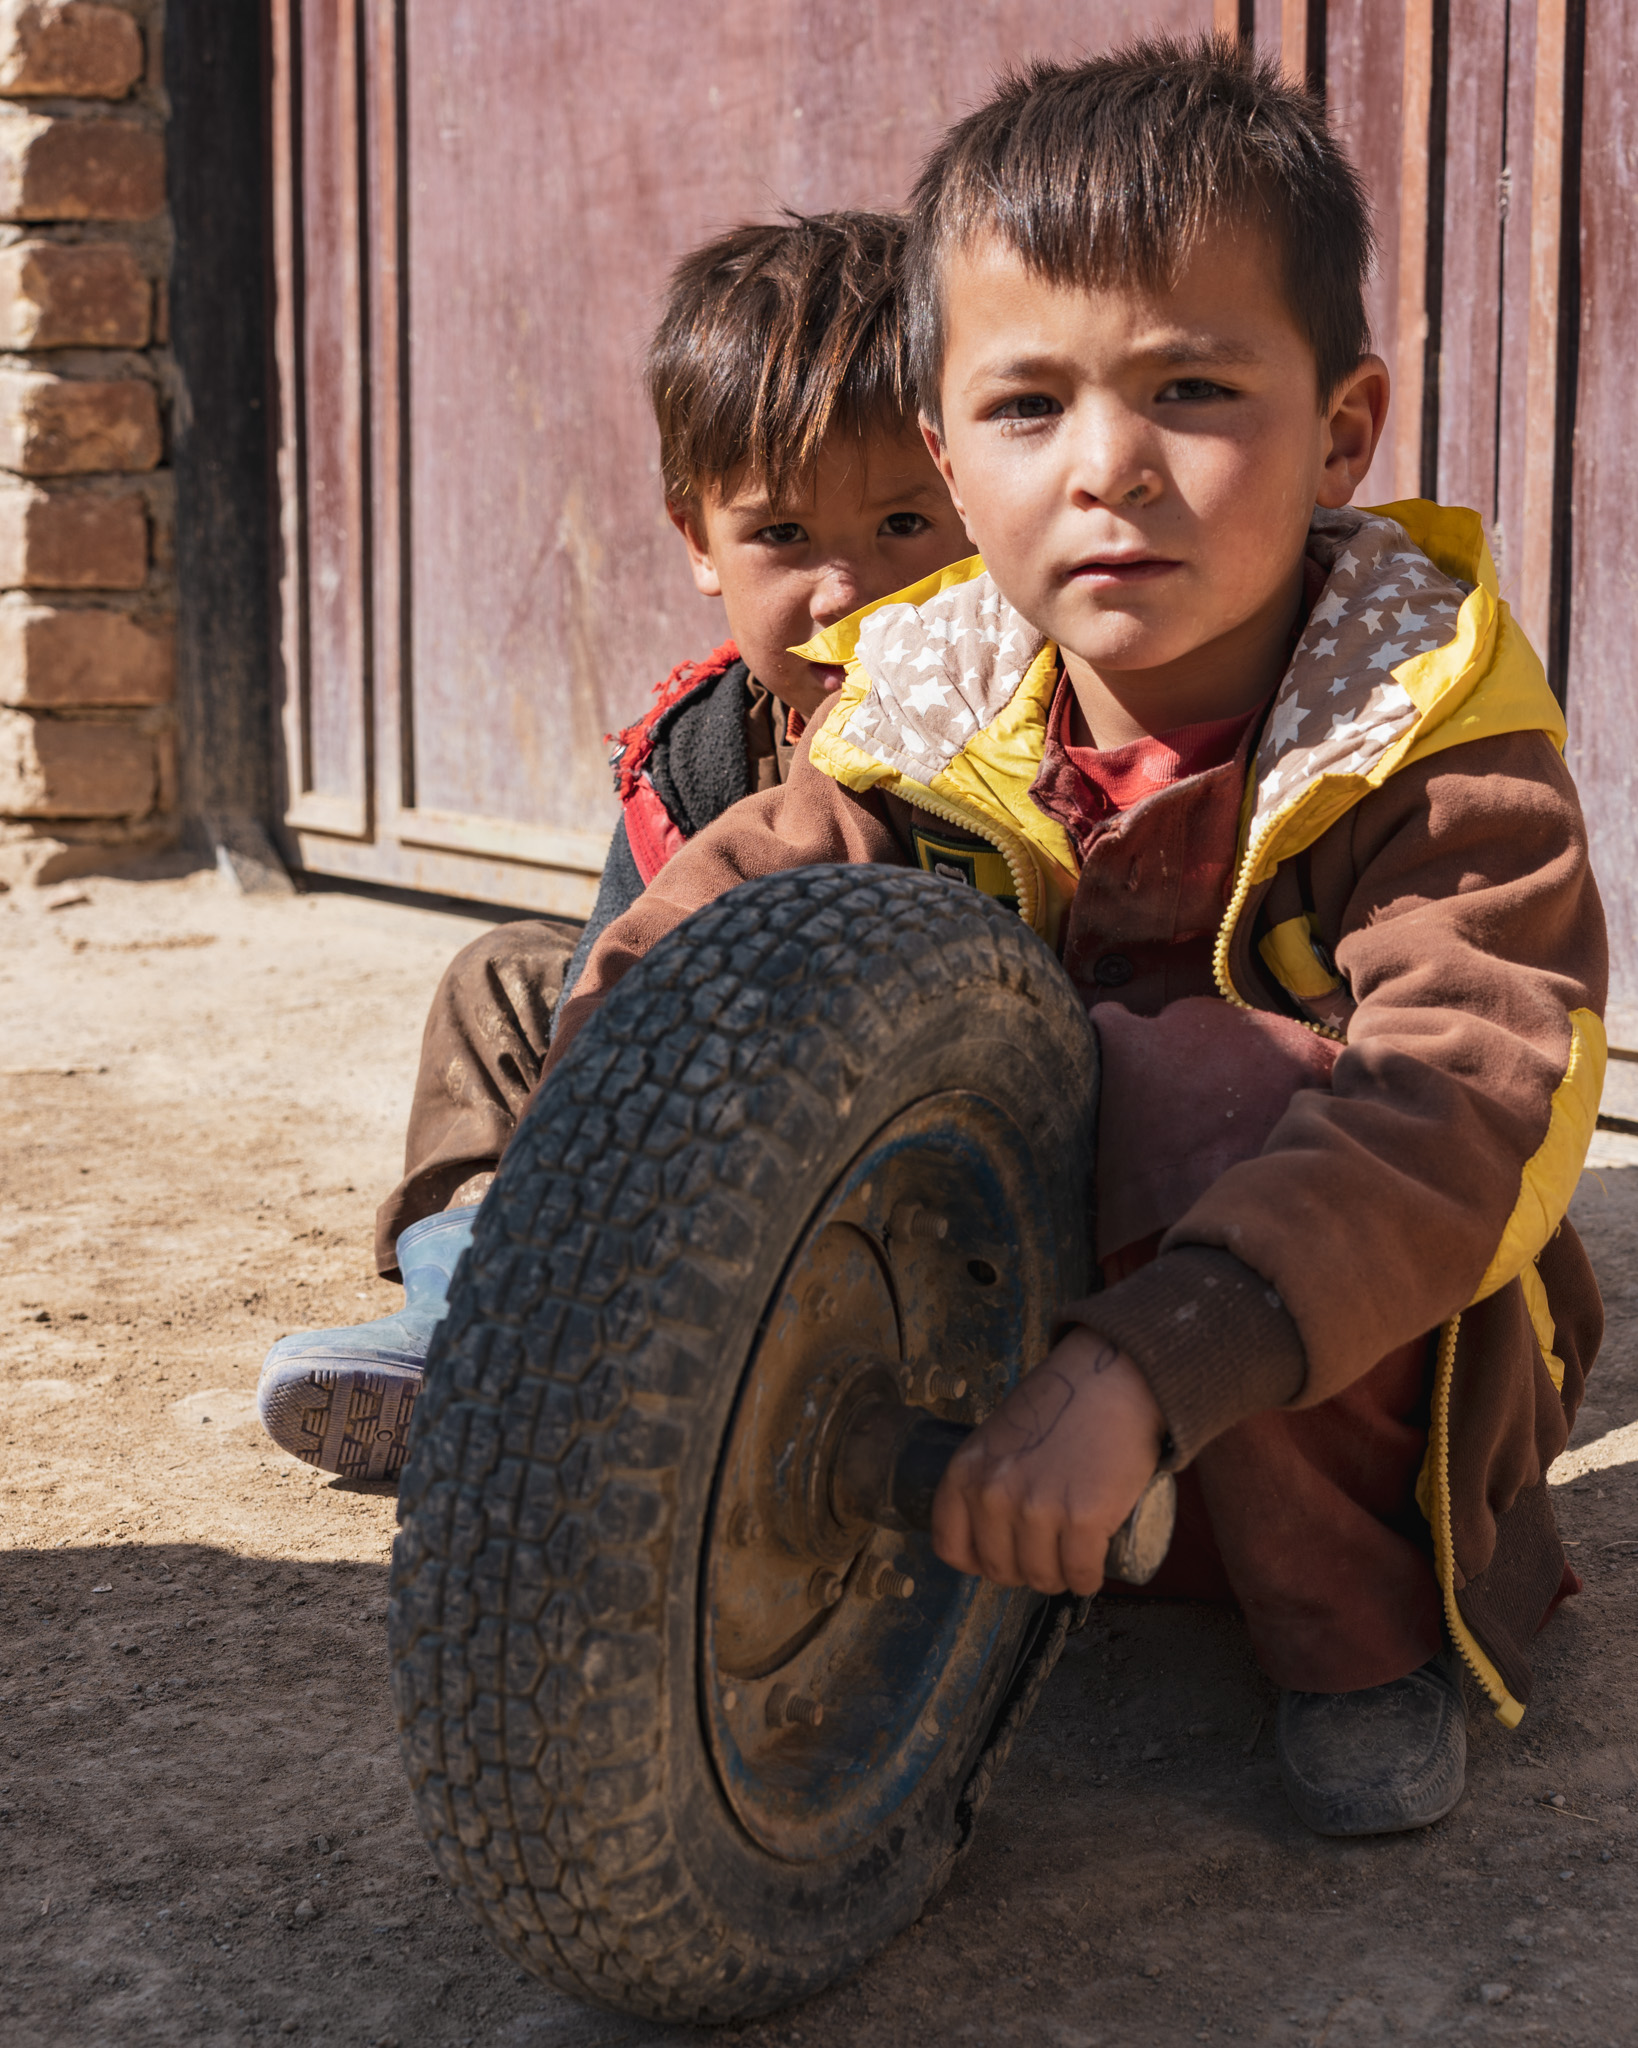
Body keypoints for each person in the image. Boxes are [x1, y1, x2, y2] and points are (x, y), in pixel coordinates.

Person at [541, 37, 1607, 1838]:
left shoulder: (1424, 738)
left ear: (1341, 429)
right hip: (1013, 1334)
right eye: (1027, 409)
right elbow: (719, 913)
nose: (1105, 468)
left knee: (1194, 1075)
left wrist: (1142, 1361)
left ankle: (1353, 1641)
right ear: (950, 462)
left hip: (1311, 1343)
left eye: (1190, 388)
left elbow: (1457, 1113)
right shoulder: (923, 699)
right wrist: (594, 1151)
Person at [255, 210, 970, 1481]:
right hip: (662, 1107)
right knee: (502, 984)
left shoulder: (1009, 726)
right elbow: (605, 985)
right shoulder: (690, 754)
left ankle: (549, 1333)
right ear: (698, 539)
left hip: (886, 1136)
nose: (847, 591)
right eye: (784, 537)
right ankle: (462, 1295)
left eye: (907, 527)